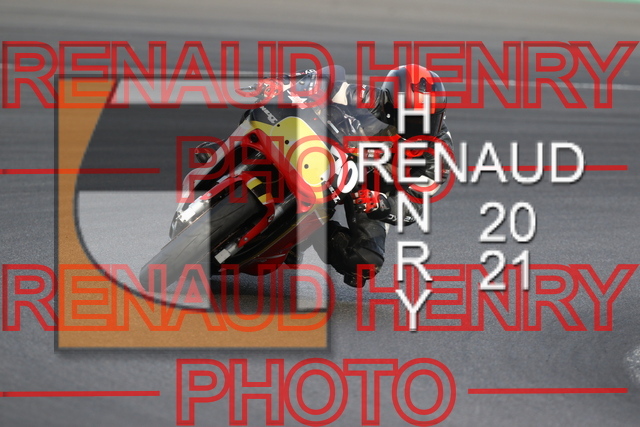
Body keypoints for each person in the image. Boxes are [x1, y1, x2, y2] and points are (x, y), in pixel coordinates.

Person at [300, 64, 453, 287]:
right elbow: (327, 85)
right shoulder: (370, 98)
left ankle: (309, 234)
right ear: (390, 104)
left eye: (429, 120)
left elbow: (415, 204)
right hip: (333, 158)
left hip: (373, 192)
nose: (420, 129)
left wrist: (383, 205)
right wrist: (297, 83)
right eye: (411, 119)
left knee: (365, 262)